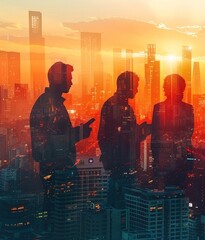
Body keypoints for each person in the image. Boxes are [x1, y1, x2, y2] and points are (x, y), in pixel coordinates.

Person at [30, 62, 94, 236]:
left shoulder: (53, 104)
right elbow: (44, 147)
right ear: (59, 78)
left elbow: (55, 138)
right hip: (55, 177)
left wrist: (78, 133)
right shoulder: (47, 105)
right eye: (69, 78)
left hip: (60, 176)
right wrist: (78, 135)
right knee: (59, 224)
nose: (72, 82)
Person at [98, 71, 151, 208]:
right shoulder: (115, 106)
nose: (137, 90)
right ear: (124, 85)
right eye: (136, 86)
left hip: (122, 169)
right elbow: (114, 137)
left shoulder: (121, 106)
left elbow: (126, 135)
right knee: (123, 211)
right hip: (122, 170)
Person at [151, 74, 194, 189]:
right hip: (169, 160)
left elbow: (189, 134)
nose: (164, 88)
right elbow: (155, 135)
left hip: (176, 161)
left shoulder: (160, 108)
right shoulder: (187, 109)